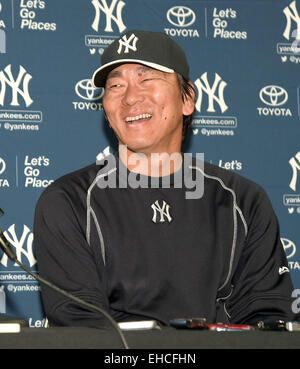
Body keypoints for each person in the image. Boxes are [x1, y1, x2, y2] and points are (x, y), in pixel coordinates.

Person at [34, 30, 298, 328]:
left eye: (147, 79)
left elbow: (268, 319)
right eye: (116, 85)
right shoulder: (68, 201)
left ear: (187, 99)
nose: (131, 97)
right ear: (106, 112)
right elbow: (81, 328)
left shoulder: (244, 201)